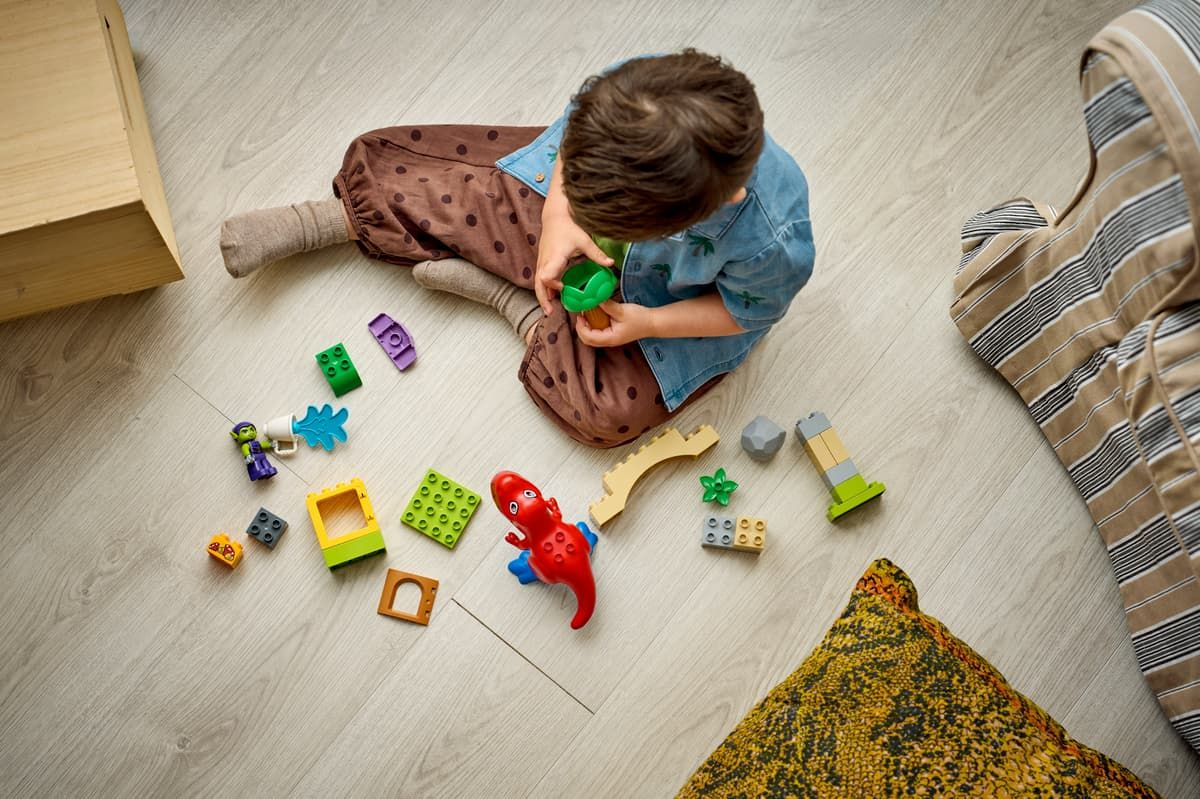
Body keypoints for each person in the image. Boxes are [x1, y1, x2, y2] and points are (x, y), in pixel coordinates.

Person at [219, 50, 814, 447]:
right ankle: (322, 221)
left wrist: (648, 323)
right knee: (445, 179)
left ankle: (518, 307)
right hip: (563, 209)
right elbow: (572, 146)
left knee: (607, 410)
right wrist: (558, 214)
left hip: (660, 304)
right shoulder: (630, 94)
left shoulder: (773, 242)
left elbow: (743, 313)